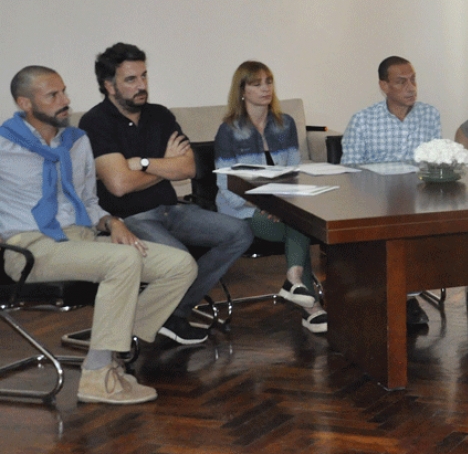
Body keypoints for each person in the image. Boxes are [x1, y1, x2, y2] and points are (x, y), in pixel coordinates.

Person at [0, 66, 198, 404]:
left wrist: (111, 222)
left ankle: (110, 352)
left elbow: (89, 202)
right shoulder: (4, 147)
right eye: (53, 95)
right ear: (25, 103)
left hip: (83, 238)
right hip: (29, 247)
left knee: (179, 264)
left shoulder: (77, 142)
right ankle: (96, 375)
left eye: (64, 91)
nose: (66, 101)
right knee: (123, 260)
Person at [79, 43, 254, 346]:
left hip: (172, 210)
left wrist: (143, 164)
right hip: (130, 218)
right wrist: (162, 165)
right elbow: (119, 185)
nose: (142, 85)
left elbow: (188, 168)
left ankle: (172, 313)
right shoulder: (95, 122)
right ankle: (162, 315)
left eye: (144, 76)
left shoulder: (159, 115)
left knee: (239, 232)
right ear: (109, 86)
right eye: (131, 79)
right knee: (180, 261)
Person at [213, 61, 327, 334]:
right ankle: (309, 306)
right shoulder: (228, 130)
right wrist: (264, 204)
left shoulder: (284, 123)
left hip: (280, 203)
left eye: (269, 81)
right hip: (241, 208)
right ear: (242, 91)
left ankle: (295, 282)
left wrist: (281, 204)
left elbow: (292, 172)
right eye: (256, 83)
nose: (265, 88)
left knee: (298, 222)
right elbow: (226, 184)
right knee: (297, 227)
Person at [340, 55, 441, 326]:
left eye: (413, 80)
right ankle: (398, 298)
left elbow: (435, 159)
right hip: (376, 201)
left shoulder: (429, 115)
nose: (411, 88)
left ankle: (406, 295)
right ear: (384, 86)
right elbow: (349, 171)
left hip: (418, 200)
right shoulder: (363, 120)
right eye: (401, 82)